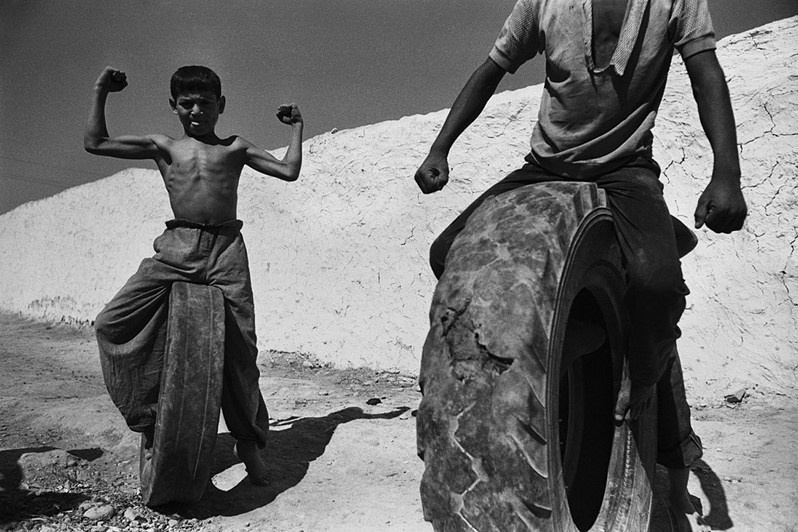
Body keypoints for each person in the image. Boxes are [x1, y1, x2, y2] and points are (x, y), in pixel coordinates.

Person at [414, 0, 746, 529]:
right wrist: (440, 149)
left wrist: (727, 172)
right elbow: (489, 71)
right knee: (447, 255)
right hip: (545, 167)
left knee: (657, 285)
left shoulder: (675, 3)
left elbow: (707, 75)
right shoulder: (543, 4)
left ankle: (638, 381)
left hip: (626, 169)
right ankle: (587, 333)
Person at [85, 65, 304, 486]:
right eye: (187, 104)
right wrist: (101, 89)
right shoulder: (163, 146)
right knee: (111, 324)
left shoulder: (235, 147)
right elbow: (94, 142)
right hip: (176, 249)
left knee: (242, 351)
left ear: (221, 105)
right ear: (174, 107)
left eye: (206, 103)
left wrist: (297, 128)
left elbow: (288, 171)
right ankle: (152, 422)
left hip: (226, 251)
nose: (197, 110)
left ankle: (249, 442)